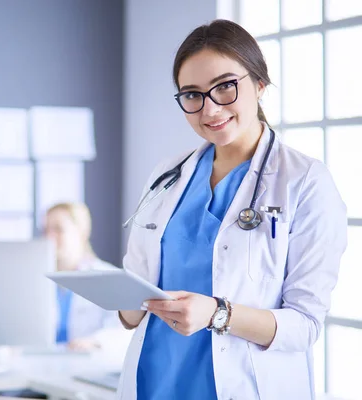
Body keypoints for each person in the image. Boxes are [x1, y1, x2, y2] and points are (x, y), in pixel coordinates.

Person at [117, 20, 347, 399]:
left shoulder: (305, 182)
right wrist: (119, 297)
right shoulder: (168, 175)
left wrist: (216, 314)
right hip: (155, 382)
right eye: (192, 94)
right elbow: (135, 304)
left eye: (225, 87)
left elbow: (304, 325)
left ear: (259, 84)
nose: (209, 108)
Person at [44, 202, 131, 357]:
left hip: (89, 366)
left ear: (81, 232)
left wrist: (94, 341)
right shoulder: (38, 280)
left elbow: (125, 329)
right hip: (44, 365)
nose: (49, 236)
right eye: (46, 230)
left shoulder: (108, 277)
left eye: (58, 229)